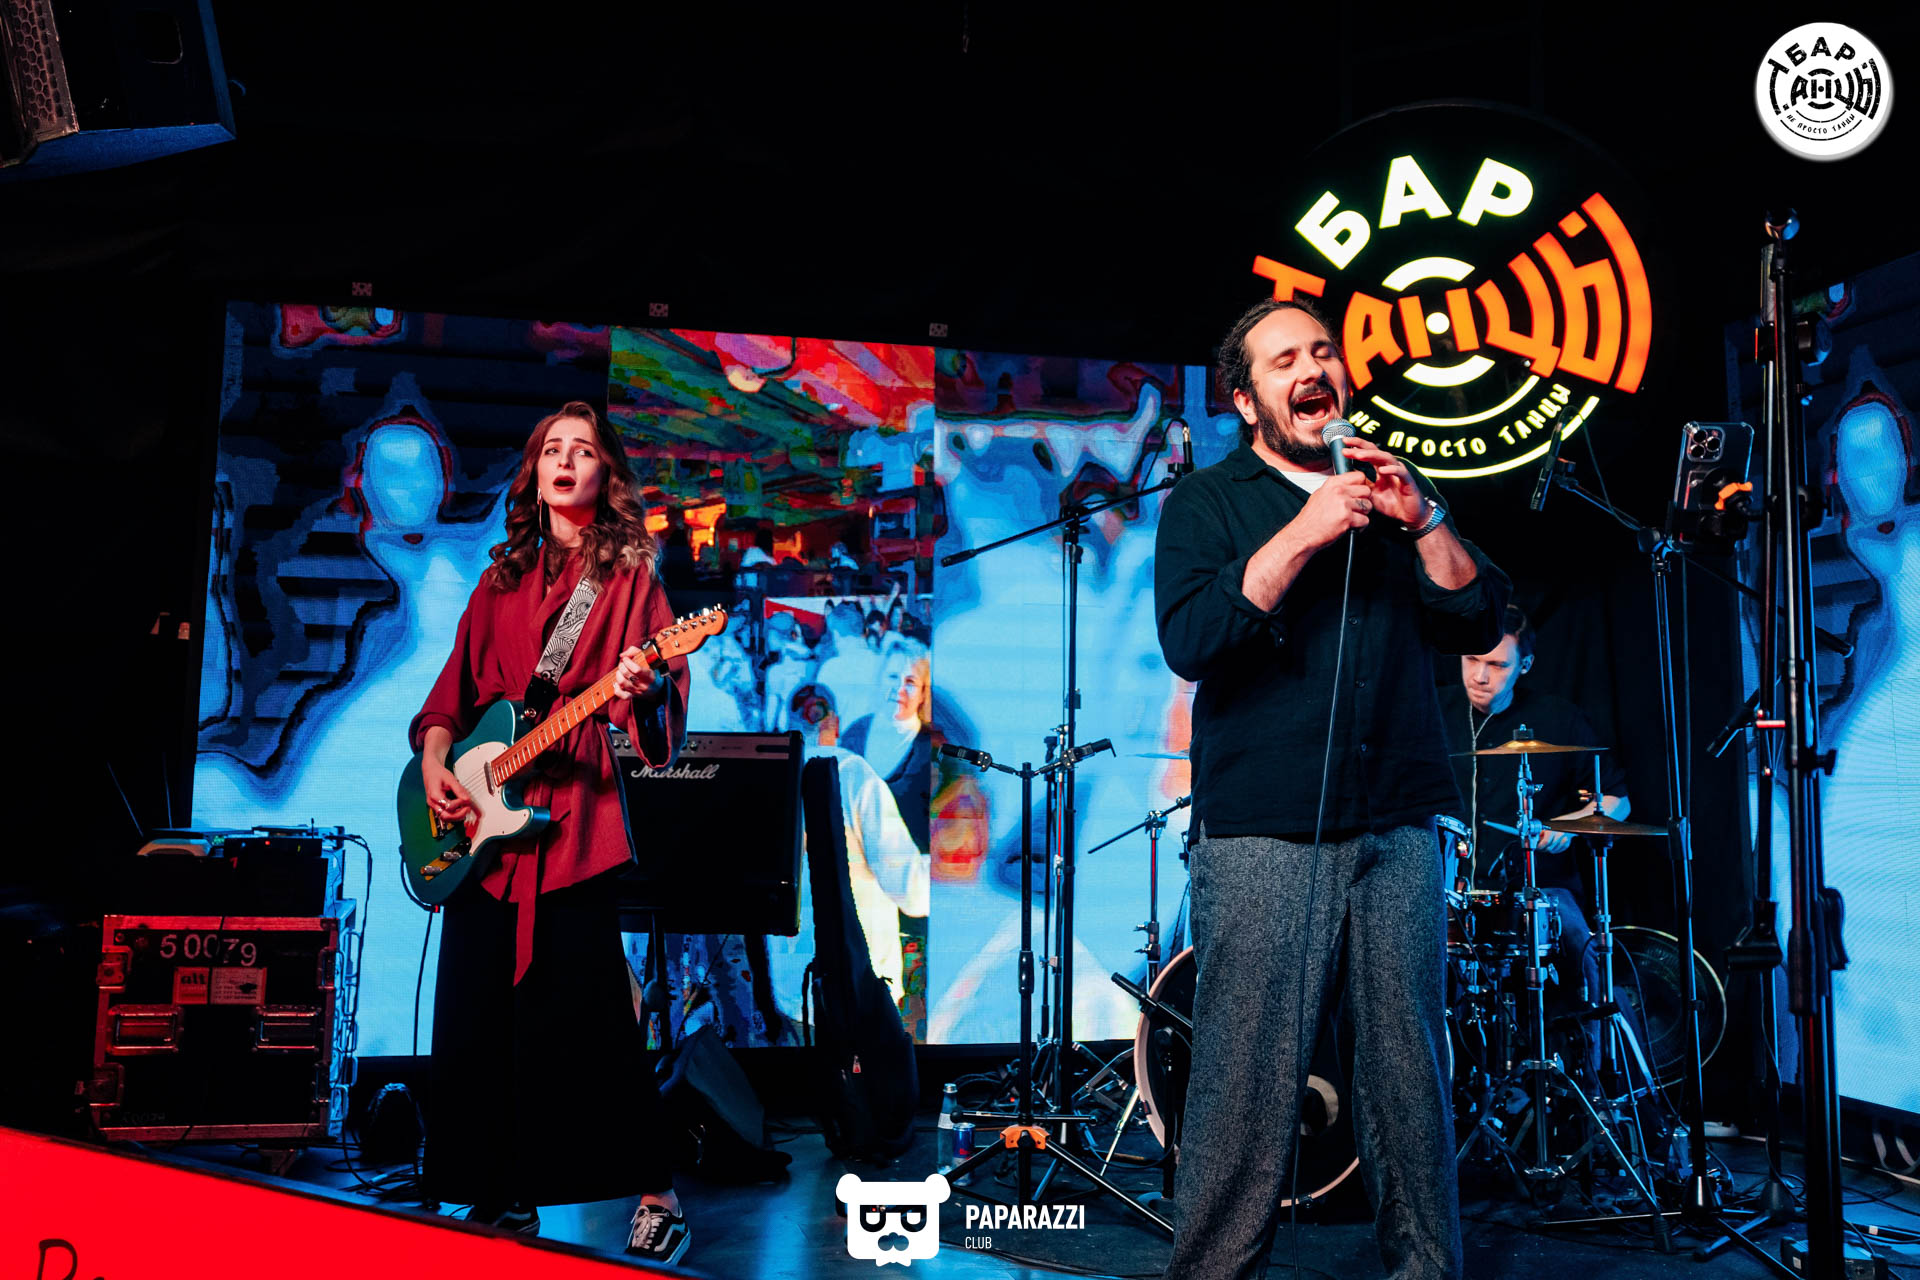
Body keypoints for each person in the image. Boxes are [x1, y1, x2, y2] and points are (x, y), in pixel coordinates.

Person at [1154, 298, 1509, 1280]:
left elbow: (1478, 616)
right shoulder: (1209, 501)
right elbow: (1193, 638)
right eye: (1284, 361)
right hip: (1265, 826)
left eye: (1322, 351)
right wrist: (1307, 530)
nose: (1312, 369)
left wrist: (1424, 519)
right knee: (1245, 1075)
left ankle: (1425, 1270)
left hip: (1399, 819)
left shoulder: (1394, 486)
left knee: (1409, 1073)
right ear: (1245, 400)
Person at [409, 400, 693, 1265]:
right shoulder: (498, 582)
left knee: (593, 1018)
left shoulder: (632, 579)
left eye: (584, 451)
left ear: (607, 476)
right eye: (552, 451)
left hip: (572, 828)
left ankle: (657, 1192)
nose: (565, 461)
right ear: (534, 473)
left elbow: (664, 698)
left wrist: (645, 687)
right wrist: (436, 762)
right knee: (477, 1018)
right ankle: (499, 1193)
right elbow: (449, 699)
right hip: (482, 834)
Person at [1438, 605, 1631, 1086]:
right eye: (1471, 660)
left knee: (1586, 958)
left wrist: (1570, 825)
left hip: (1541, 891)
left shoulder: (1558, 718)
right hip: (1446, 893)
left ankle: (1599, 1092)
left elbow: (1616, 801)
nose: (1480, 676)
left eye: (1497, 664)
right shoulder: (1430, 713)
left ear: (1524, 665)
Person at [786, 683, 929, 1001]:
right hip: (861, 992)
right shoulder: (855, 775)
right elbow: (912, 892)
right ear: (836, 724)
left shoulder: (772, 781)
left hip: (790, 990)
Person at [839, 634, 933, 855]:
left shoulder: (932, 748)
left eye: (910, 682)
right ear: (880, 679)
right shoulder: (855, 732)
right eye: (892, 676)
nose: (899, 688)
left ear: (923, 693)